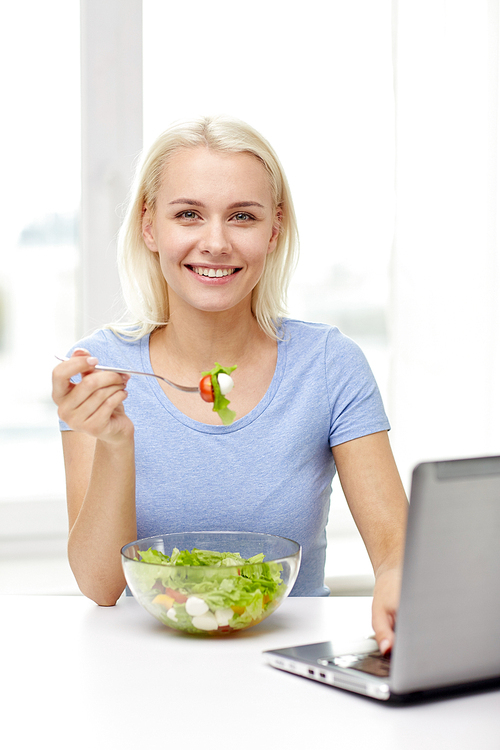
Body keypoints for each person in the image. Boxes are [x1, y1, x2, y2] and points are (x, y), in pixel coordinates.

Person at [52, 115, 408, 655]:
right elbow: (101, 587)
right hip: (139, 668)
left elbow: (396, 551)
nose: (215, 242)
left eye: (242, 216)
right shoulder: (101, 369)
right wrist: (114, 442)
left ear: (274, 229)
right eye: (188, 215)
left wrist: (400, 580)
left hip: (291, 661)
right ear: (150, 226)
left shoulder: (330, 364)